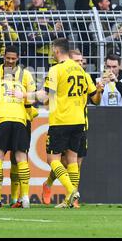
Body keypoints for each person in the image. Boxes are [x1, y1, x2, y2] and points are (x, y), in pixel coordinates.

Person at [37, 37, 98, 208]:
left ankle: (71, 190)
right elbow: (94, 97)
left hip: (61, 120)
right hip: (79, 120)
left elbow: (45, 96)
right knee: (72, 160)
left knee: (53, 160)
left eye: (52, 50)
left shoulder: (56, 70)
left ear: (57, 51)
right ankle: (70, 201)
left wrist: (26, 96)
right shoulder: (81, 71)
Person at [0, 63, 31, 208]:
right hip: (20, 121)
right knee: (21, 158)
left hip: (2, 120)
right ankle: (25, 198)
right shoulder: (21, 88)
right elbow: (31, 106)